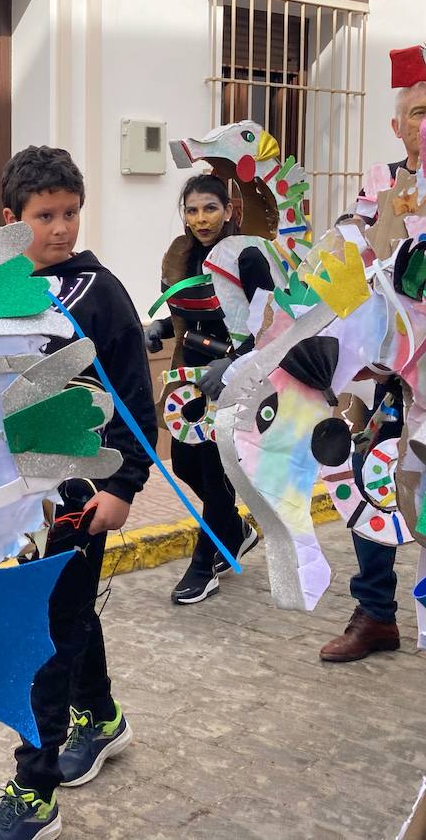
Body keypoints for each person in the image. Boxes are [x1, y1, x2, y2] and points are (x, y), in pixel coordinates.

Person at [0, 146, 157, 840]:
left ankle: (35, 787)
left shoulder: (98, 293)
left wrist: (126, 484)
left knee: (47, 632)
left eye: (71, 212)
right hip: (23, 496)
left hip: (84, 492)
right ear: (11, 218)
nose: (60, 228)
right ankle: (102, 716)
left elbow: (135, 396)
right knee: (68, 610)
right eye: (45, 214)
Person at [319, 80, 426, 663]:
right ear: (397, 128)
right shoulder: (377, 191)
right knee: (365, 474)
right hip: (387, 372)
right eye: (416, 113)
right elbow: (348, 266)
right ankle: (376, 613)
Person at [145, 174, 266, 605]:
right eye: (192, 210)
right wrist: (157, 328)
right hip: (189, 375)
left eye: (210, 208)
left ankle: (204, 565)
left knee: (215, 474)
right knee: (185, 464)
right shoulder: (181, 256)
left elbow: (270, 324)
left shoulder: (248, 256)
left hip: (234, 377)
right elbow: (179, 314)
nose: (201, 219)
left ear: (229, 210)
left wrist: (233, 362)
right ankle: (233, 531)